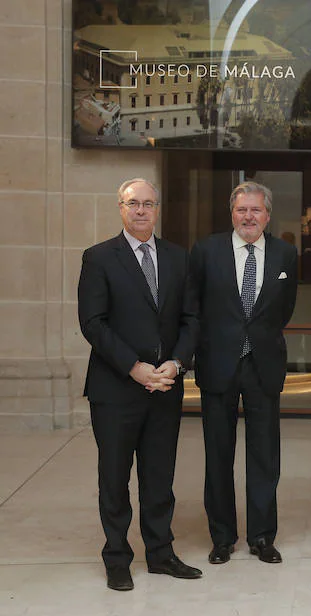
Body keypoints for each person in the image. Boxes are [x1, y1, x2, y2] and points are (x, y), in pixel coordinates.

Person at [77, 178, 201, 591]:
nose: (142, 210)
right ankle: (116, 558)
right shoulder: (98, 258)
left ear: (158, 208)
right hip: (116, 389)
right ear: (121, 208)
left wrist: (177, 363)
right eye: (134, 203)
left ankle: (161, 554)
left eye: (149, 204)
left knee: (159, 476)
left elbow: (191, 319)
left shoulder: (178, 258)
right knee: (114, 478)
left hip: (165, 386)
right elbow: (93, 323)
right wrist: (133, 367)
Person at [190, 181, 298, 566]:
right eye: (241, 210)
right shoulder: (206, 251)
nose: (248, 217)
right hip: (218, 365)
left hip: (263, 366)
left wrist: (258, 338)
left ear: (267, 215)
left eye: (255, 210)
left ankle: (262, 536)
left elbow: (284, 308)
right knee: (218, 455)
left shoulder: (286, 253)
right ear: (231, 213)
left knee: (265, 457)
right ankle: (222, 537)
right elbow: (194, 307)